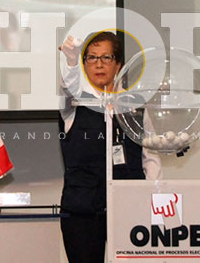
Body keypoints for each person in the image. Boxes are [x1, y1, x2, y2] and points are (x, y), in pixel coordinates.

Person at [58, 31, 162, 263]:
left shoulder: (136, 106)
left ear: (118, 65)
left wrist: (156, 201)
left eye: (106, 57)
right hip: (82, 210)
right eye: (92, 58)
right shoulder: (74, 103)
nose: (99, 64)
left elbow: (151, 157)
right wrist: (71, 61)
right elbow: (68, 86)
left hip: (129, 206)